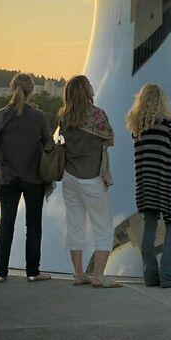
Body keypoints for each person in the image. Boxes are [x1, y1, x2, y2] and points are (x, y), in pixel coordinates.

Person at [58, 75, 121, 288]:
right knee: (102, 227)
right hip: (92, 177)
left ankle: (78, 274)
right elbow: (110, 139)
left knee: (75, 225)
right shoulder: (97, 115)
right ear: (87, 91)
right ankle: (98, 276)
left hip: (69, 176)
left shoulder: (64, 116)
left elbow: (62, 141)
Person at [0, 72, 52, 282]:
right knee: (33, 226)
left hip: (7, 178)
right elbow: (49, 145)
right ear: (31, 90)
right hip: (33, 178)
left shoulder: (1, 114)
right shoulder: (38, 116)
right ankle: (33, 272)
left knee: (6, 224)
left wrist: (4, 168)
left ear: (11, 88)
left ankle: (1, 273)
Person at [125, 83, 171, 288]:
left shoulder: (136, 125)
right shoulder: (167, 121)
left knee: (149, 226)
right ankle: (167, 275)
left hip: (144, 181)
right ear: (161, 101)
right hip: (164, 181)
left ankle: (150, 275)